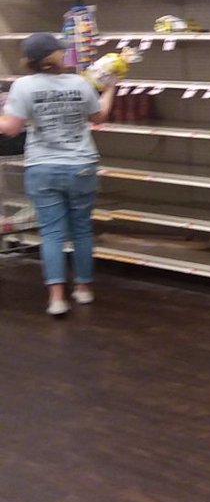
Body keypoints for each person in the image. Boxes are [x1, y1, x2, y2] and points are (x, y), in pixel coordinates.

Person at [0, 33, 114, 317]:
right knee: (81, 230)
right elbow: (98, 118)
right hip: (81, 166)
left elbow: (11, 128)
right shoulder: (79, 83)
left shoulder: (23, 86)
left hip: (43, 168)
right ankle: (84, 290)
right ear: (54, 56)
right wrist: (111, 88)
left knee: (51, 233)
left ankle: (57, 298)